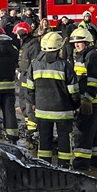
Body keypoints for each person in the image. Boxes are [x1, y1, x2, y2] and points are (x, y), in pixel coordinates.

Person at [24, 32, 78, 167]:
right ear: (59, 48)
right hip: (63, 111)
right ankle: (65, 167)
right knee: (65, 140)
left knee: (44, 141)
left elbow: (29, 88)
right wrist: (76, 105)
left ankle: (44, 167)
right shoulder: (65, 65)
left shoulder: (34, 65)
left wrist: (33, 103)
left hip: (42, 111)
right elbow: (74, 90)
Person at [18, 19, 49, 138]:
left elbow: (35, 64)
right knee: (23, 100)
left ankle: (32, 128)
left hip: (29, 77)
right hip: (24, 75)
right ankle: (29, 125)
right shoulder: (26, 44)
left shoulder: (34, 46)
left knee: (29, 101)